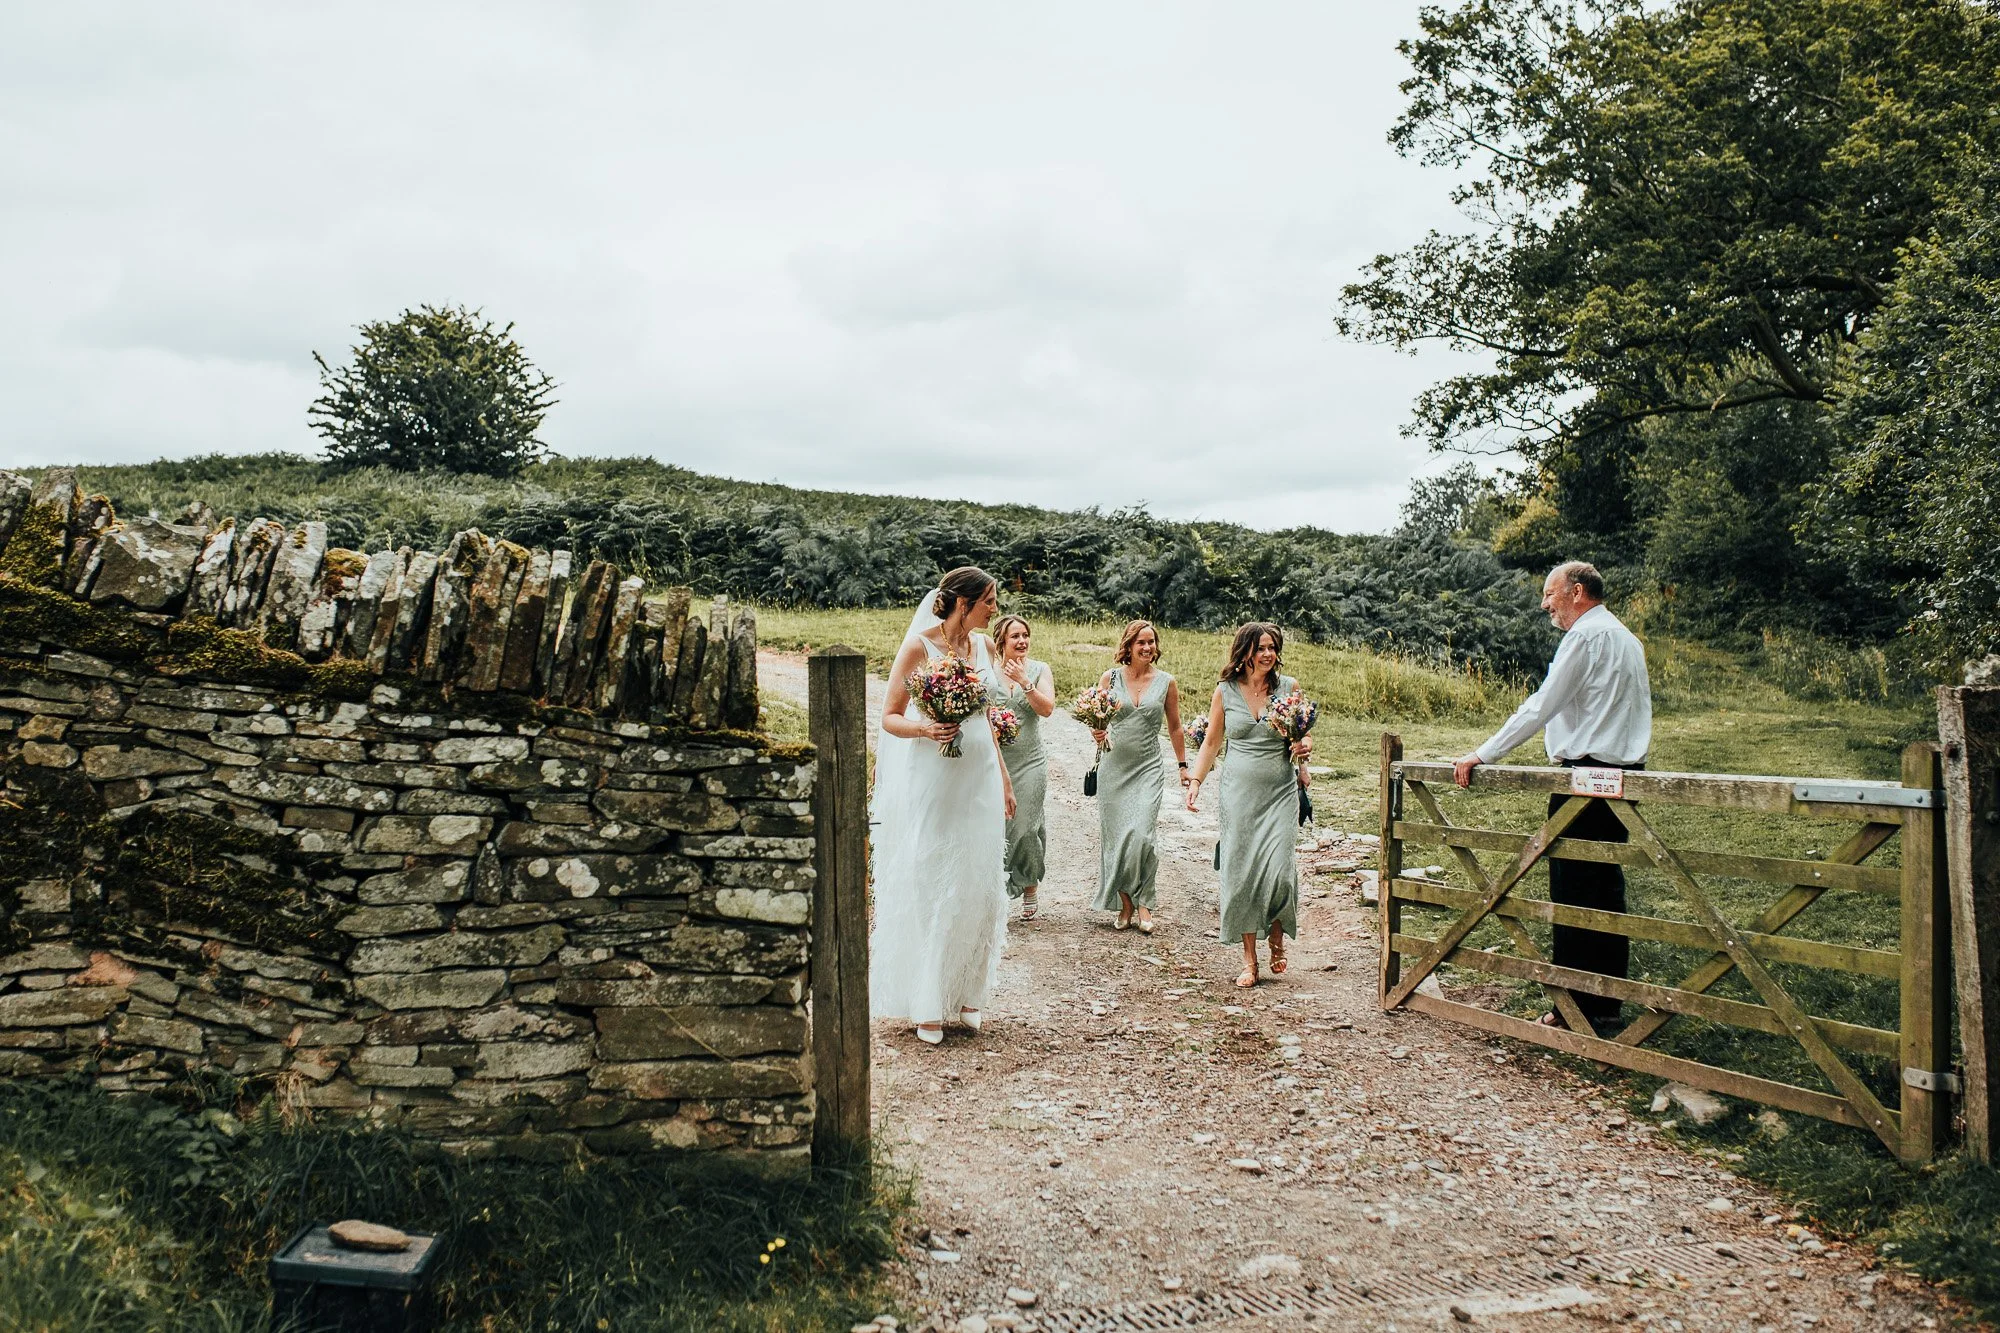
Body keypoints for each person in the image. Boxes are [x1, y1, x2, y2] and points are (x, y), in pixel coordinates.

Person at [1453, 561, 1650, 1034]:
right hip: (1625, 777)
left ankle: (1575, 1009)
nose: (1545, 605)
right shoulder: (1627, 638)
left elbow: (1542, 704)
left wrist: (1484, 753)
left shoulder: (1583, 638)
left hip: (1584, 778)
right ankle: (1606, 1005)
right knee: (1606, 888)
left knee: (1574, 890)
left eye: (1550, 594)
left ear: (1576, 592)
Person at [870, 566, 1016, 1045]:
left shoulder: (985, 648)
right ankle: (928, 1000)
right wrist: (927, 729)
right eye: (989, 601)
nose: (995, 609)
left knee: (981, 882)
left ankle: (970, 995)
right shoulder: (920, 647)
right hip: (934, 776)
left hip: (979, 777)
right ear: (964, 602)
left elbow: (990, 718)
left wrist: (1005, 776)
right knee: (937, 879)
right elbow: (890, 717)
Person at [1186, 622, 1312, 987]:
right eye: (1261, 648)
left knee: (1279, 869)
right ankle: (1249, 961)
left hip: (1279, 791)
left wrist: (1304, 758)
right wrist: (1195, 782)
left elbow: (1302, 737)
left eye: (1272, 647)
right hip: (1238, 794)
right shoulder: (1225, 691)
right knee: (1240, 873)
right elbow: (1211, 742)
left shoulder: (1289, 689)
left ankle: (1275, 935)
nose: (1268, 654)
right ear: (1245, 652)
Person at [1089, 620, 1188, 933]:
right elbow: (1096, 717)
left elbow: (1174, 726)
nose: (1147, 648)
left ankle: (1144, 901)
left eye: (1152, 642)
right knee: (1117, 838)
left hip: (1148, 768)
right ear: (1128, 646)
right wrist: (1097, 729)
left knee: (1142, 836)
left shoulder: (1166, 682)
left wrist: (1183, 765)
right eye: (1141, 642)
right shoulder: (1110, 677)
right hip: (1113, 768)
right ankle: (1125, 903)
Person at [991, 614, 1054, 921]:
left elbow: (1047, 709)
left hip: (1031, 761)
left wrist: (1025, 682)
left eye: (1025, 635)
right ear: (1001, 641)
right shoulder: (987, 672)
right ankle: (996, 886)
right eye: (1015, 636)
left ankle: (1028, 882)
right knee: (998, 826)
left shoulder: (1040, 669)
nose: (1022, 641)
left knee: (1026, 825)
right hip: (996, 762)